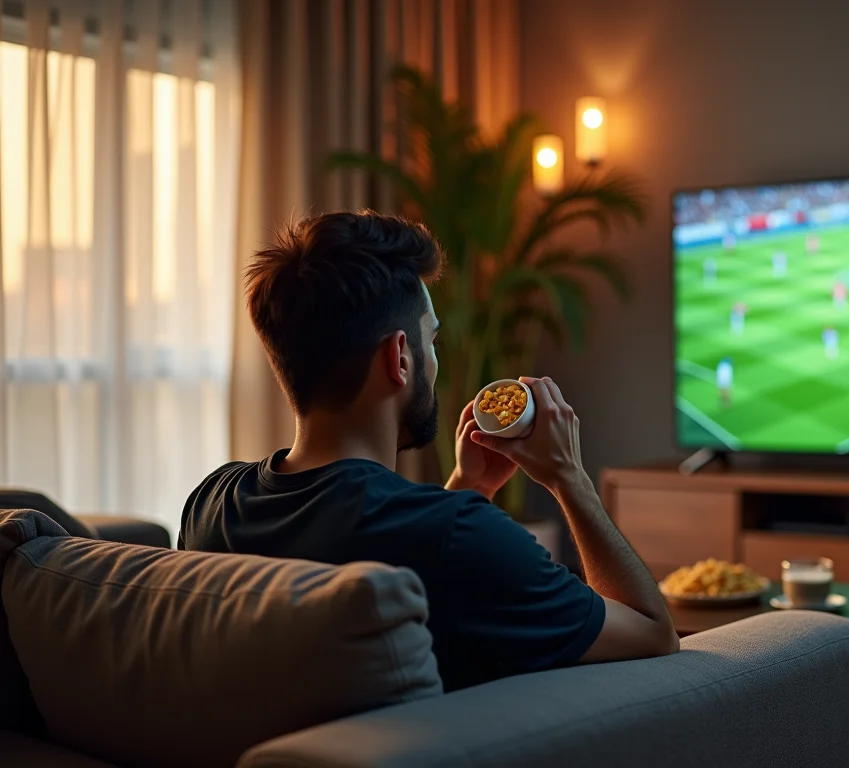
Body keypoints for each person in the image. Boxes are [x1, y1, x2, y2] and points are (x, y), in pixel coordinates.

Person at [179, 211, 678, 693]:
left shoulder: (212, 503)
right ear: (399, 357)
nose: (433, 359)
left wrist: (469, 486)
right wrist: (571, 479)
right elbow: (653, 634)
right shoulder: (457, 535)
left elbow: (389, 547)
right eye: (430, 339)